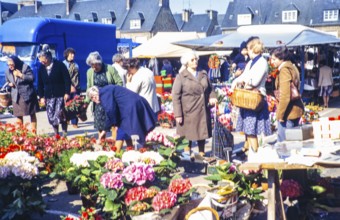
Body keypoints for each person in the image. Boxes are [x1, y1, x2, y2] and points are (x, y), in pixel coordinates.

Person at [172, 51, 217, 159]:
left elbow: (211, 89)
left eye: (196, 59)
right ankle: (188, 155)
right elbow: (175, 95)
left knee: (201, 132)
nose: (195, 61)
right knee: (188, 134)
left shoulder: (203, 74)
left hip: (202, 108)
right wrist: (178, 114)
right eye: (192, 60)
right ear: (187, 63)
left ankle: (202, 154)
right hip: (188, 110)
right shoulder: (181, 76)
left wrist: (212, 96)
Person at [232, 37, 271, 156]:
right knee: (248, 132)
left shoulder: (262, 62)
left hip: (255, 100)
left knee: (251, 132)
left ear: (252, 49)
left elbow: (254, 82)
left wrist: (244, 83)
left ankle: (255, 156)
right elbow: (243, 76)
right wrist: (235, 82)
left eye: (247, 49)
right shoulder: (250, 62)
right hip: (247, 100)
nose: (246, 52)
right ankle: (251, 154)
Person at [87, 85, 157, 148]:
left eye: (92, 98)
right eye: (92, 99)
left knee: (123, 128)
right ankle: (134, 147)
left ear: (94, 95)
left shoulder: (103, 95)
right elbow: (113, 110)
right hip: (138, 101)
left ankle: (116, 153)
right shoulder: (106, 90)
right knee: (136, 128)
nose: (94, 100)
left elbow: (110, 111)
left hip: (131, 106)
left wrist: (104, 131)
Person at [85, 51, 123, 143]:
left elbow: (119, 82)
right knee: (100, 125)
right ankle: (103, 146)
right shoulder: (89, 72)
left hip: (110, 101)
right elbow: (89, 87)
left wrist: (113, 93)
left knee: (114, 124)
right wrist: (86, 101)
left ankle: (115, 145)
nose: (94, 68)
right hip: (98, 103)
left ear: (100, 62)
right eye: (92, 65)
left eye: (95, 65)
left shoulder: (110, 69)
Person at [271, 46, 304, 143]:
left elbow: (285, 95)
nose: (272, 62)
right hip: (294, 110)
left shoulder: (284, 70)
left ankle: (284, 158)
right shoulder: (292, 67)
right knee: (293, 143)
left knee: (284, 144)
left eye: (274, 59)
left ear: (282, 58)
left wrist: (280, 115)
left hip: (288, 112)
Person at [37, 47, 71, 136]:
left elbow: (67, 79)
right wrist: (41, 97)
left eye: (42, 60)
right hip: (49, 96)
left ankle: (64, 133)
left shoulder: (60, 65)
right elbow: (39, 84)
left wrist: (67, 92)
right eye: (40, 60)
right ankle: (56, 134)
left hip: (60, 94)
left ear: (48, 57)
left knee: (62, 115)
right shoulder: (41, 68)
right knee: (51, 116)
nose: (41, 62)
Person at [5, 55, 39, 133]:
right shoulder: (7, 71)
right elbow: (7, 80)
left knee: (32, 114)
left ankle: (34, 133)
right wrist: (9, 84)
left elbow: (32, 78)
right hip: (16, 97)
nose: (10, 66)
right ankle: (21, 134)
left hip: (27, 95)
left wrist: (20, 75)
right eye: (9, 65)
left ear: (16, 62)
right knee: (18, 116)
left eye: (12, 65)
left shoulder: (25, 67)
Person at [63, 47, 80, 128]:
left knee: (75, 105)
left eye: (73, 54)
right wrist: (69, 86)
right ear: (67, 55)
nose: (73, 55)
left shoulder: (76, 65)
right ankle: (66, 119)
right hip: (66, 87)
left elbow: (77, 77)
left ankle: (74, 122)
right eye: (71, 54)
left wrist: (76, 86)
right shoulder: (63, 64)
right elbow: (63, 77)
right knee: (66, 105)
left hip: (76, 87)